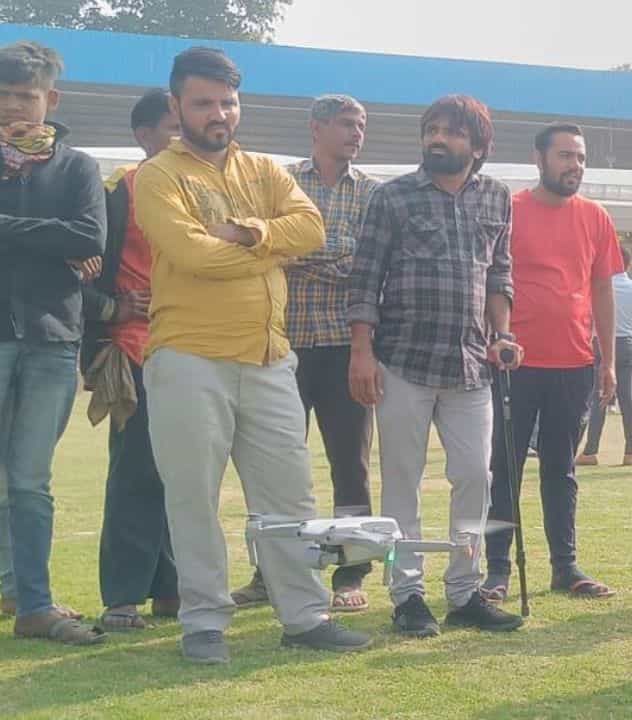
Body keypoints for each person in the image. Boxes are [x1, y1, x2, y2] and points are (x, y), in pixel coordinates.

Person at [135, 47, 370, 664]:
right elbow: (192, 256)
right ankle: (204, 623)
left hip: (269, 357)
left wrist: (247, 233)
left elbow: (311, 229)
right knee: (194, 497)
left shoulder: (264, 169)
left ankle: (305, 617)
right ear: (176, 106)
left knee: (290, 498)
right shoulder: (158, 176)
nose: (219, 114)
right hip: (188, 357)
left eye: (228, 102)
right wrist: (274, 248)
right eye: (203, 103)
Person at [348, 95, 524, 636]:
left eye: (452, 132)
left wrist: (503, 334)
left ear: (479, 145)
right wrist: (361, 352)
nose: (438, 139)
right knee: (402, 482)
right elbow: (364, 279)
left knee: (475, 477)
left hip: (471, 364)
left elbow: (500, 273)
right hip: (402, 360)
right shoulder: (392, 196)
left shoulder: (496, 197)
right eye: (431, 130)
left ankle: (465, 591)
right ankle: (407, 596)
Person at [231, 94, 381, 615]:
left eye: (361, 125)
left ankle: (351, 571)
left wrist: (300, 252)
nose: (357, 133)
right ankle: (270, 573)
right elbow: (264, 248)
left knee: (350, 466)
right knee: (273, 469)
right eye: (346, 124)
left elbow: (367, 267)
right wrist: (326, 253)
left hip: (346, 348)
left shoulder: (373, 194)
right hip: (281, 346)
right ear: (316, 128)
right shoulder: (279, 184)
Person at [482, 122, 622, 601]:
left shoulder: (596, 217)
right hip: (514, 364)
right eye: (565, 156)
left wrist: (608, 361)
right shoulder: (510, 210)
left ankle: (565, 566)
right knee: (505, 469)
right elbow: (490, 279)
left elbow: (603, 289)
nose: (574, 165)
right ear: (538, 159)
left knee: (561, 469)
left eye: (580, 157)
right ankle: (497, 570)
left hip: (574, 363)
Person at [0, 40, 107, 646]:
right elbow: (70, 238)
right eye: (5, 94)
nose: (15, 106)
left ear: (52, 99)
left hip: (51, 339)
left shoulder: (77, 168)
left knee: (30, 482)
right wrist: (53, 237)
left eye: (27, 95)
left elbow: (89, 236)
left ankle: (33, 606)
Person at [81, 88, 181, 632]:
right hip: (136, 347)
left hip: (196, 349)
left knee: (183, 472)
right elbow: (85, 266)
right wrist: (113, 308)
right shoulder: (119, 190)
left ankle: (170, 591)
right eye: (173, 128)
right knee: (136, 470)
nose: (183, 137)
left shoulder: (209, 185)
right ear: (144, 136)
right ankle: (122, 598)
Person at [580, 246, 632, 466]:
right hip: (627, 343)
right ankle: (630, 451)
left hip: (601, 342)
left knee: (599, 396)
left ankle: (591, 450)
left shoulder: (597, 286)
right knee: (627, 398)